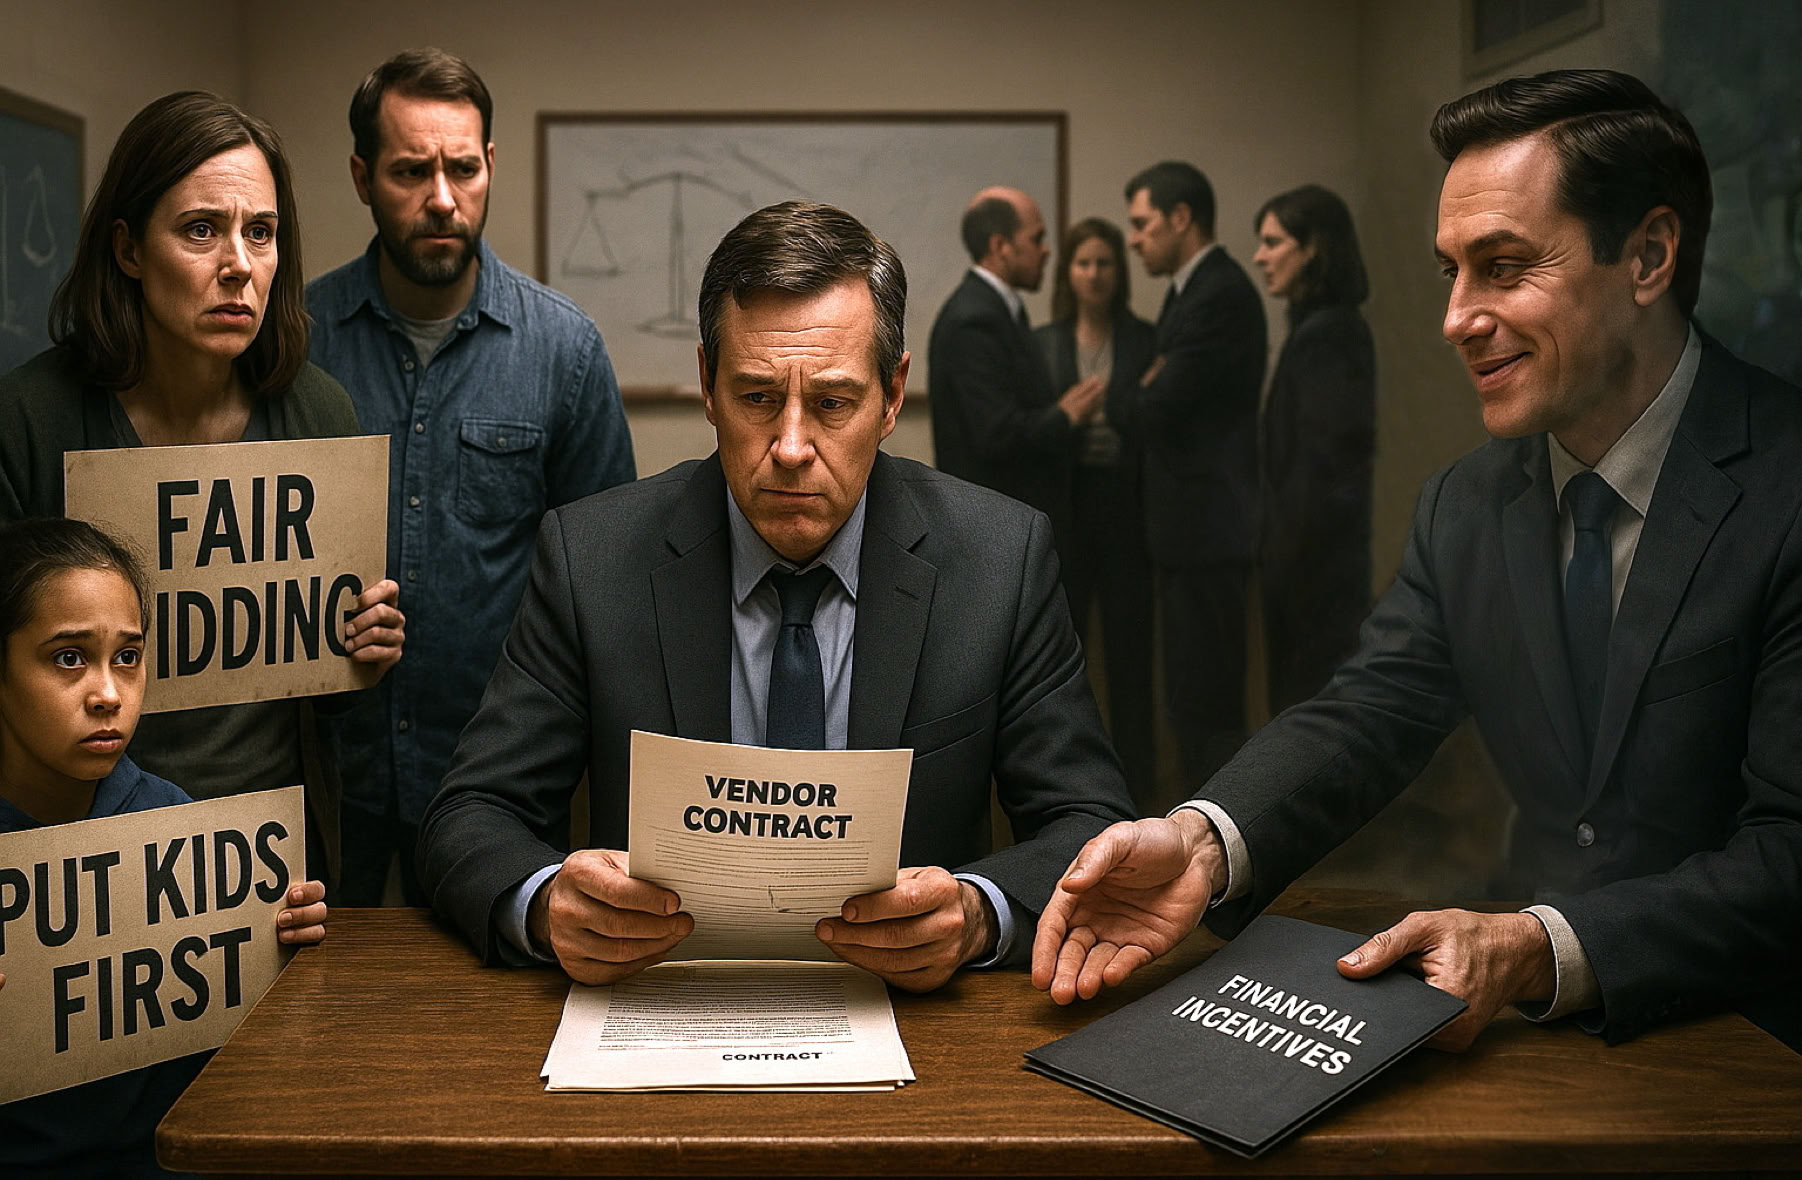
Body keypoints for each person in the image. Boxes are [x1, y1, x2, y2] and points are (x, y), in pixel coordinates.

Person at [1034, 69, 1802, 1054]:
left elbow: (1788, 851)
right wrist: (1199, 839)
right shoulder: (1463, 505)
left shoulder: (1783, 485)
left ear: (1647, 255)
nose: (1455, 318)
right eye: (1451, 271)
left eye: (1502, 265)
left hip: (1752, 1045)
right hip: (1525, 1040)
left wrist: (1539, 946)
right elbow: (1366, 713)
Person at [417, 200, 1136, 992]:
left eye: (832, 403)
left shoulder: (1000, 561)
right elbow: (470, 814)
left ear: (892, 397)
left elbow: (1088, 822)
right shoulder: (593, 560)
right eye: (757, 398)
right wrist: (545, 902)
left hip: (916, 1024)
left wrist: (977, 915)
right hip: (659, 1011)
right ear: (707, 385)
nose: (791, 448)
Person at [0, 91, 406, 883]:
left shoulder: (317, 411)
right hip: (75, 864)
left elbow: (327, 700)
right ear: (128, 249)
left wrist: (363, 650)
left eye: (261, 233)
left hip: (273, 851)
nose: (239, 266)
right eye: (200, 231)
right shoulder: (30, 421)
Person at [306, 49, 635, 906]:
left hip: (501, 777)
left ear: (491, 165)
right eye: (412, 171)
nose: (442, 198)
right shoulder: (295, 342)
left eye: (462, 168)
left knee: (489, 1025)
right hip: (327, 770)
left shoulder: (564, 351)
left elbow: (610, 588)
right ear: (362, 176)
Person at [0, 517, 328, 1179]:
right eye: (68, 658)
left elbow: (234, 1089)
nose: (108, 695)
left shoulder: (180, 833)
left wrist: (276, 958)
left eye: (128, 656)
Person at [1121, 162, 1267, 798]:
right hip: (1191, 530)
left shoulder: (1220, 292)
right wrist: (1148, 385)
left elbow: (1152, 406)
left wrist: (1143, 388)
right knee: (1190, 695)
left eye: (1142, 223)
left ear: (1181, 218)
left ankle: (1217, 847)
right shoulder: (1191, 291)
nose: (1134, 239)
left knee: (1206, 702)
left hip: (1209, 531)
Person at [1034, 218, 1159, 810]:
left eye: (1105, 263)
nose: (1094, 274)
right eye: (1083, 263)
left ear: (1119, 272)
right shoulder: (1043, 344)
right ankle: (1079, 802)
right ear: (1068, 273)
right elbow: (1030, 435)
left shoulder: (1147, 338)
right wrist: (1066, 415)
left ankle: (1146, 799)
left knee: (1133, 662)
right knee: (1064, 665)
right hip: (1067, 513)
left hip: (1131, 512)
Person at [1252, 185, 1378, 713]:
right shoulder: (1319, 329)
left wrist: (1282, 555)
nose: (1260, 256)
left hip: (1314, 572)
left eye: (1273, 241)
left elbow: (1323, 464)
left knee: (1307, 714)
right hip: (1310, 565)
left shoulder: (1328, 334)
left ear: (1313, 249)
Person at [929, 186, 1103, 548]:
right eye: (1036, 238)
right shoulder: (974, 318)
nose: (1047, 250)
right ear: (1000, 247)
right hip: (991, 530)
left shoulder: (1002, 308)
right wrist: (1065, 415)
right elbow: (994, 435)